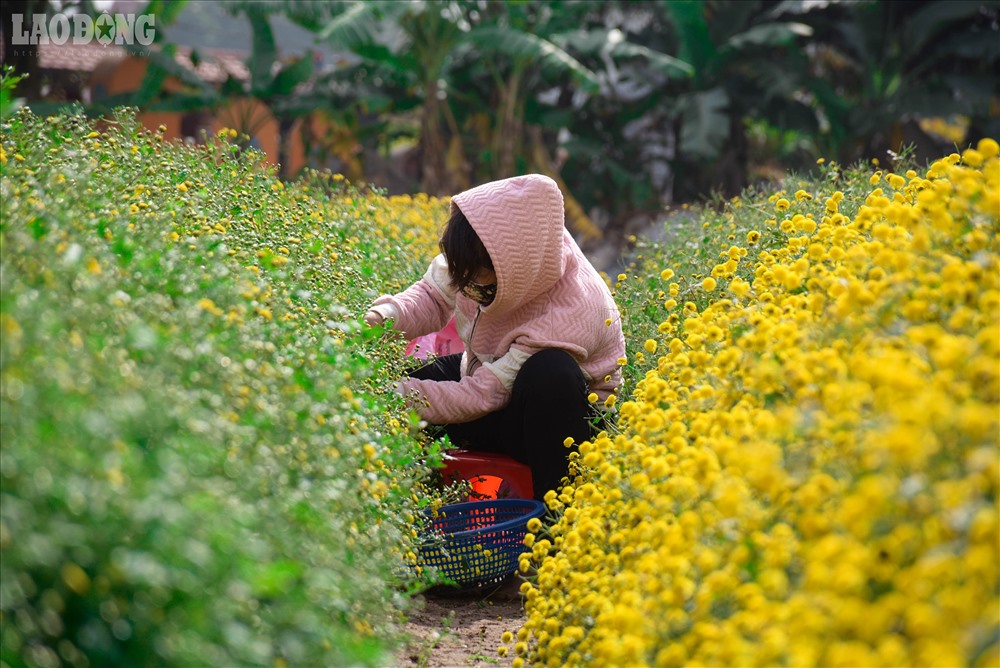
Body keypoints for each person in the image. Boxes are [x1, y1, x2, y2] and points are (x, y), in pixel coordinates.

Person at [364, 174, 626, 501]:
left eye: (478, 286)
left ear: (510, 274)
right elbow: (432, 296)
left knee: (551, 372)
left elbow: (484, 394)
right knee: (389, 388)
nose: (467, 289)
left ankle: (557, 520)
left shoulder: (570, 312)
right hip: (492, 373)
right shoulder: (493, 248)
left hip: (557, 423)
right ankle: (417, 507)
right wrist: (383, 317)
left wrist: (402, 396)